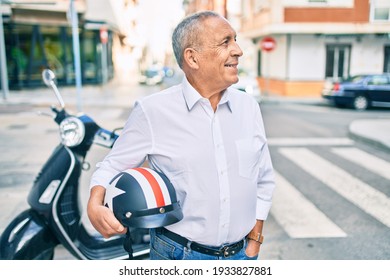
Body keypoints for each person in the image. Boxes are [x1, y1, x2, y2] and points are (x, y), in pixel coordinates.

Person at [87, 10, 275, 260]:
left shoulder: (248, 107)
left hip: (241, 255)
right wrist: (94, 204)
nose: (238, 50)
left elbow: (263, 177)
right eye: (225, 42)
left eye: (235, 40)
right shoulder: (152, 111)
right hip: (178, 255)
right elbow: (112, 165)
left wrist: (254, 241)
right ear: (192, 58)